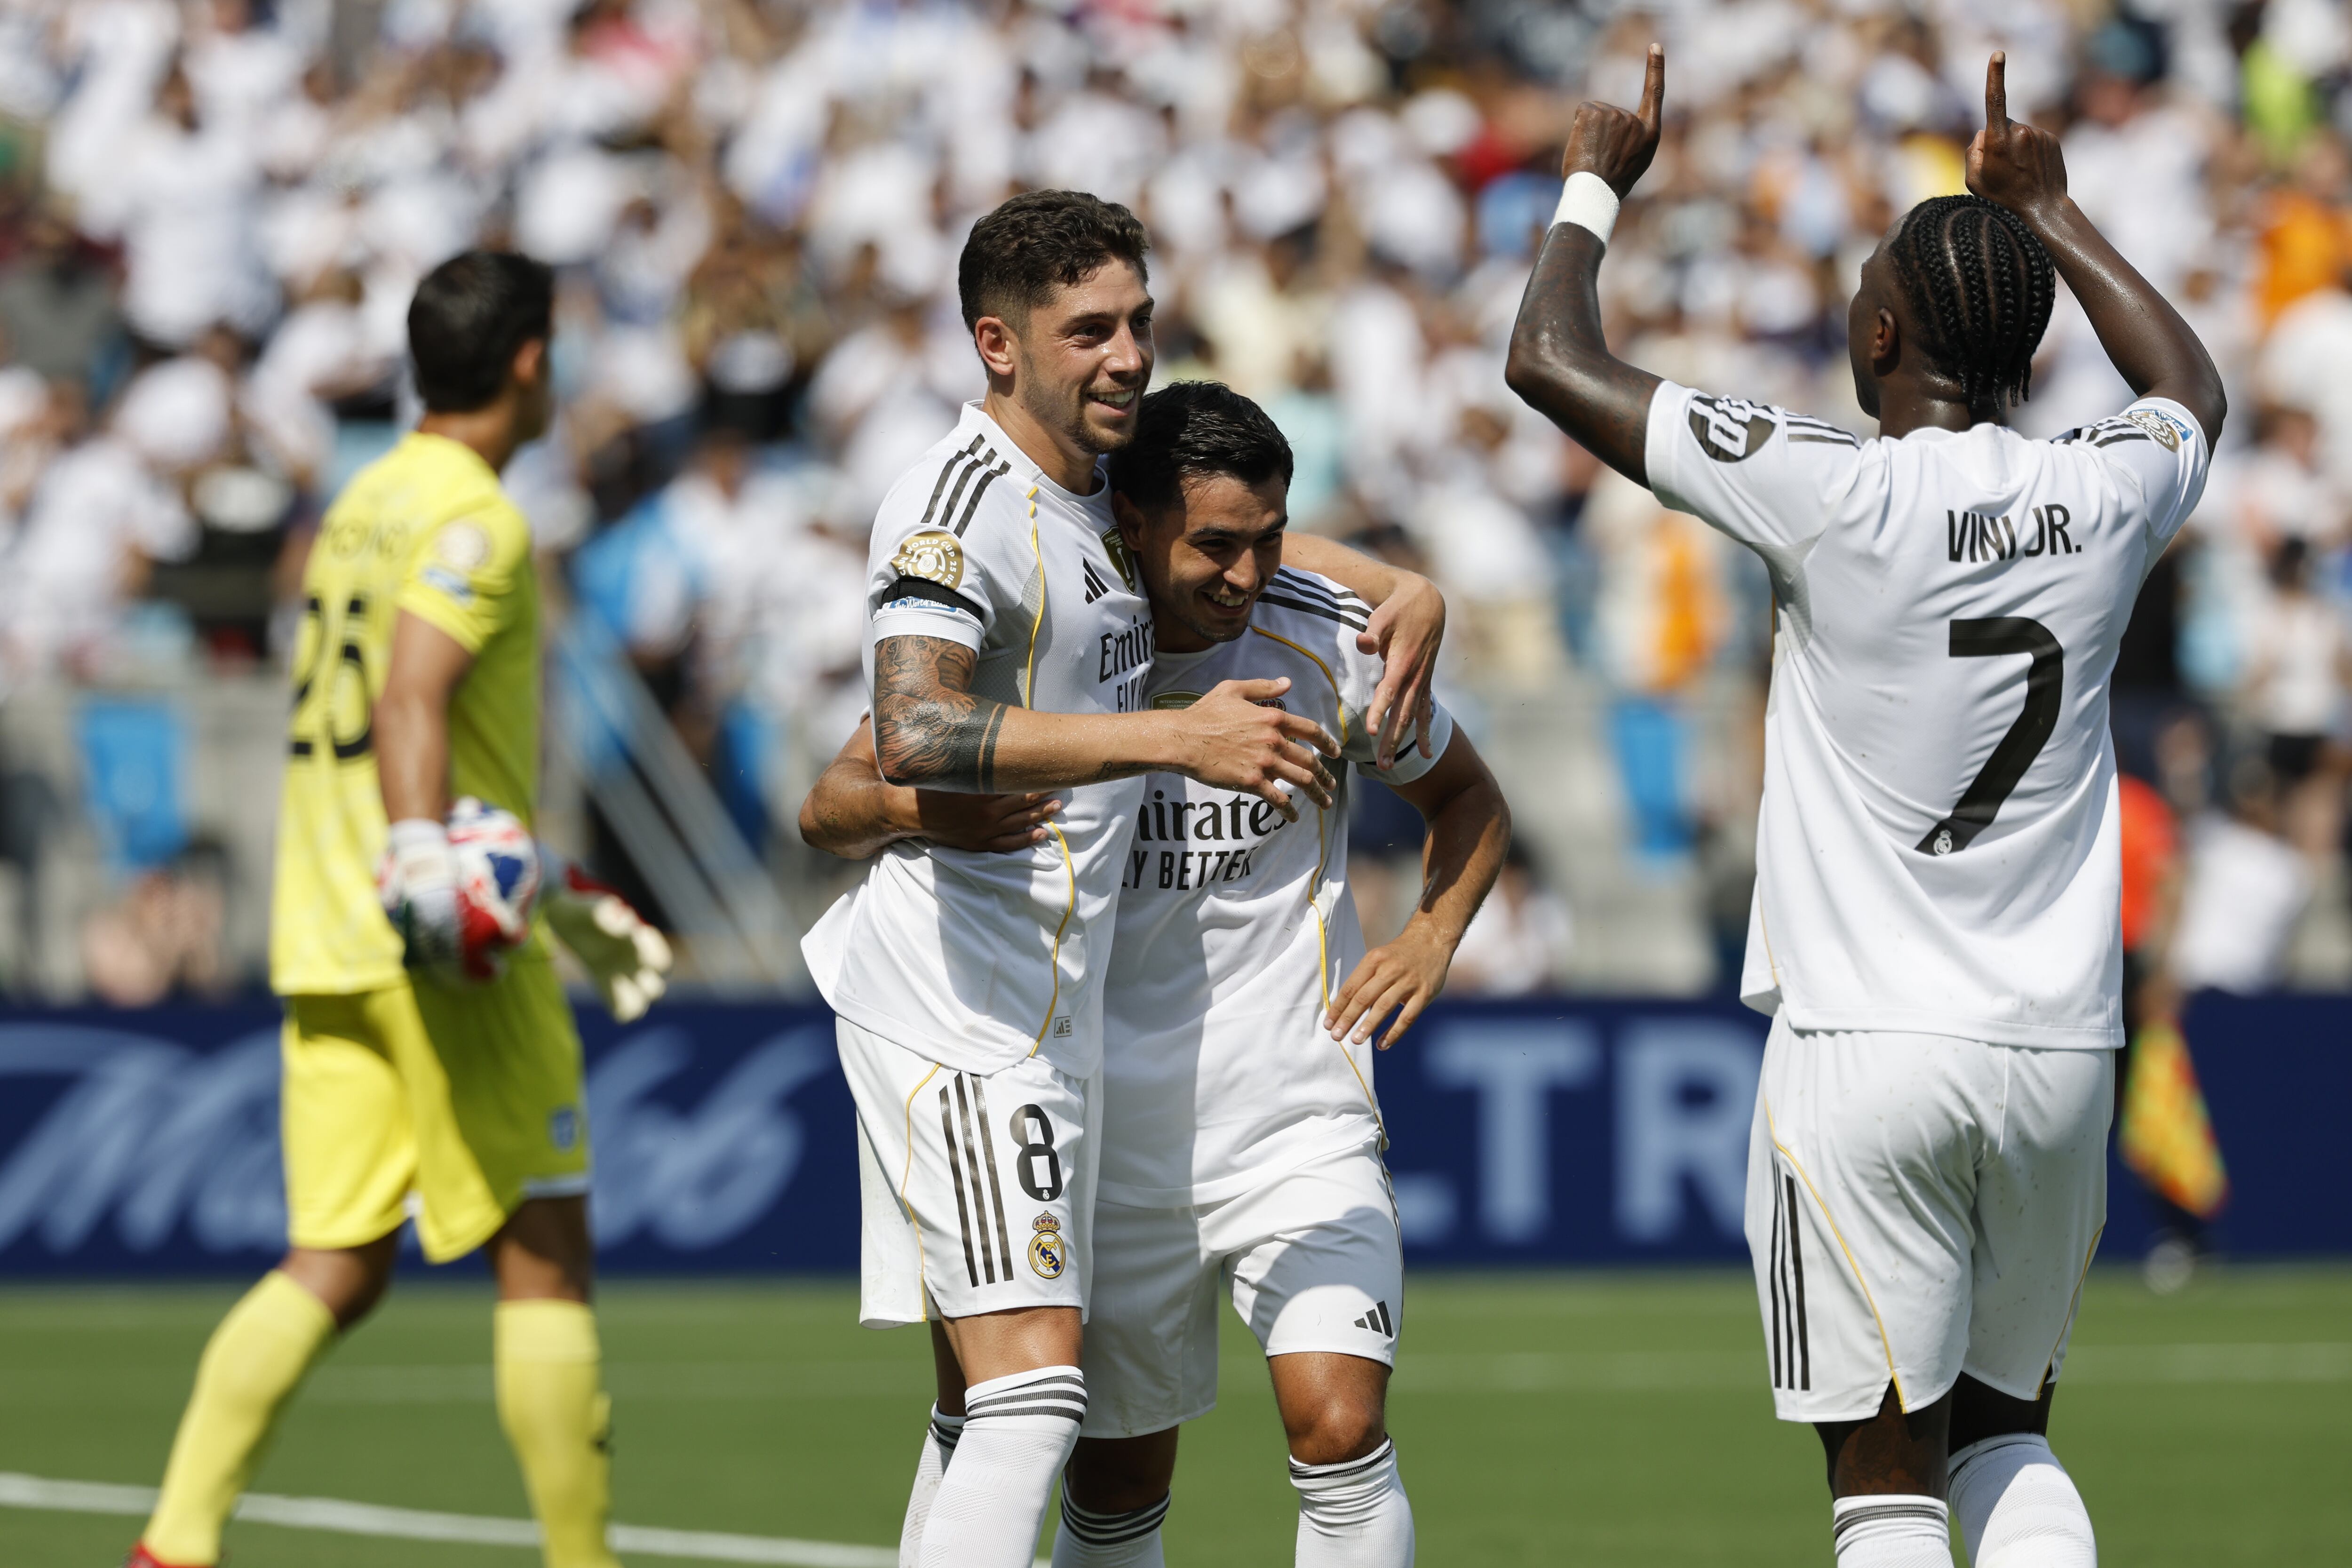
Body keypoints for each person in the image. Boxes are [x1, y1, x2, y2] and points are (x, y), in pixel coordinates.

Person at [1505, 48, 2223, 1568]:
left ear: (1882, 332)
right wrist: (2053, 214)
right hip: (2057, 1051)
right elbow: (2191, 392)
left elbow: (1550, 358)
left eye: (1859, 290)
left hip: (1868, 1047)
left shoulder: (1832, 489)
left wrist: (1591, 186)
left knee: (1884, 1486)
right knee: (2009, 1435)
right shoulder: (2105, 495)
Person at [795, 192, 1446, 1568]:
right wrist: (1171, 739)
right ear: (998, 345)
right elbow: (904, 733)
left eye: (1139, 321)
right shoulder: (955, 505)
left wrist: (1399, 579)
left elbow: (1224, 537)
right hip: (959, 1008)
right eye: (1088, 329)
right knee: (1035, 1401)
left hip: (1053, 1015)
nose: (1129, 354)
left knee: (982, 1407)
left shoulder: (1095, 491)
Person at [127, 252, 673, 1568]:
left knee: (335, 1263)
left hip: (328, 934)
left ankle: (172, 1547)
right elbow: (411, 698)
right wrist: (430, 866)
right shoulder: (481, 519)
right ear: (530, 362)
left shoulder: (360, 501)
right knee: (545, 1259)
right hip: (437, 952)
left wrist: (555, 895)